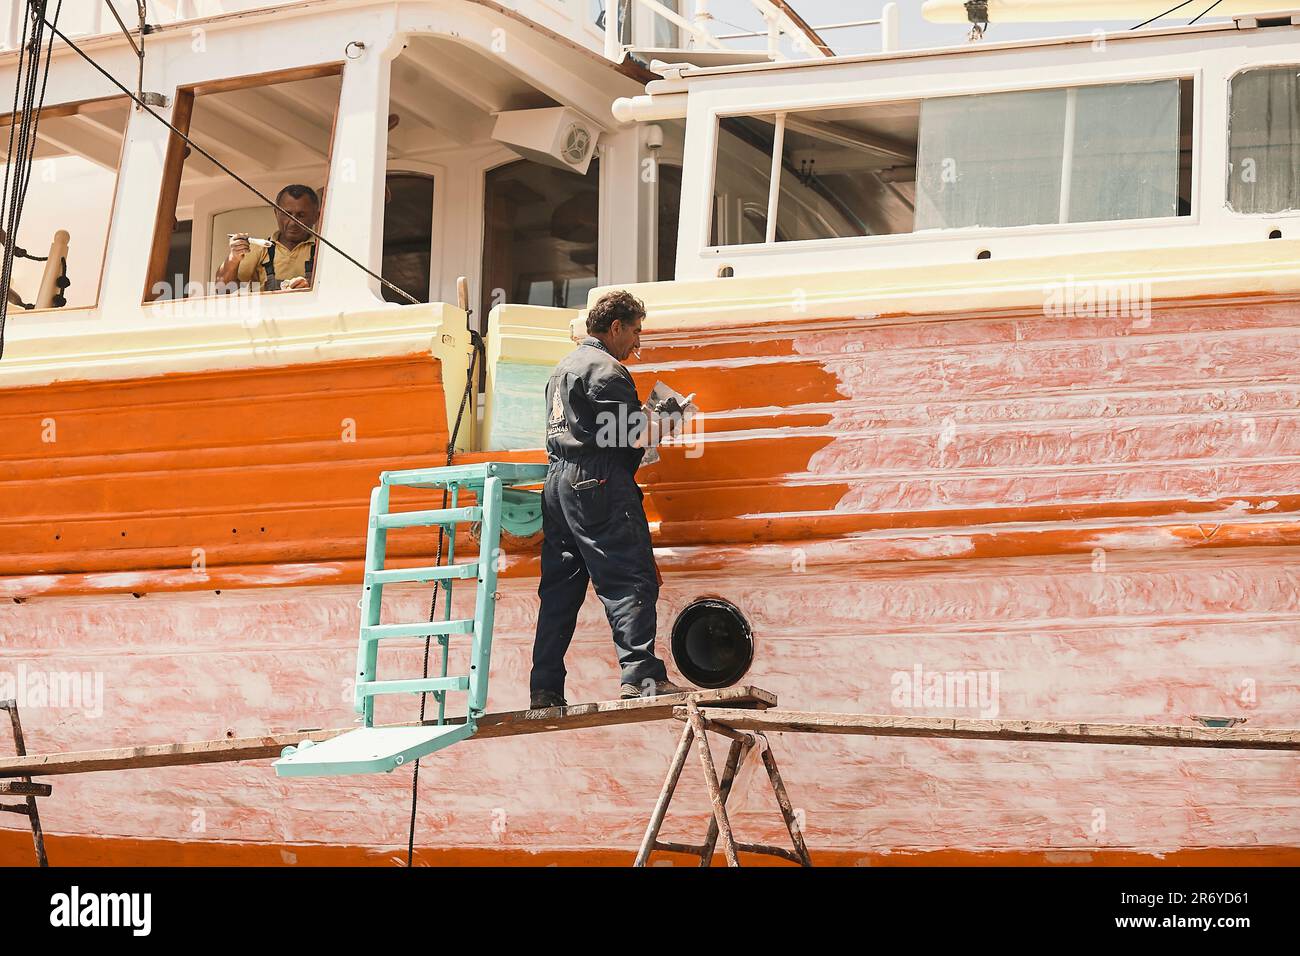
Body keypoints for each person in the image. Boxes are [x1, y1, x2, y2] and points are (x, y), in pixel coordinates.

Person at [529, 290, 689, 709]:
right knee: (628, 578)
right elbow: (634, 436)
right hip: (598, 484)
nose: (638, 342)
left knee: (560, 592)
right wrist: (670, 417)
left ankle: (545, 689)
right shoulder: (607, 370)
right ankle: (640, 677)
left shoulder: (561, 370)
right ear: (615, 327)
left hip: (556, 486)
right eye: (635, 332)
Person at [216, 184, 319, 291]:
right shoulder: (259, 249)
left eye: (301, 215)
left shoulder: (323, 250)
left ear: (316, 216)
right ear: (276, 213)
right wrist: (233, 258)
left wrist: (310, 288)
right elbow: (223, 290)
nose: (293, 222)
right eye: (286, 214)